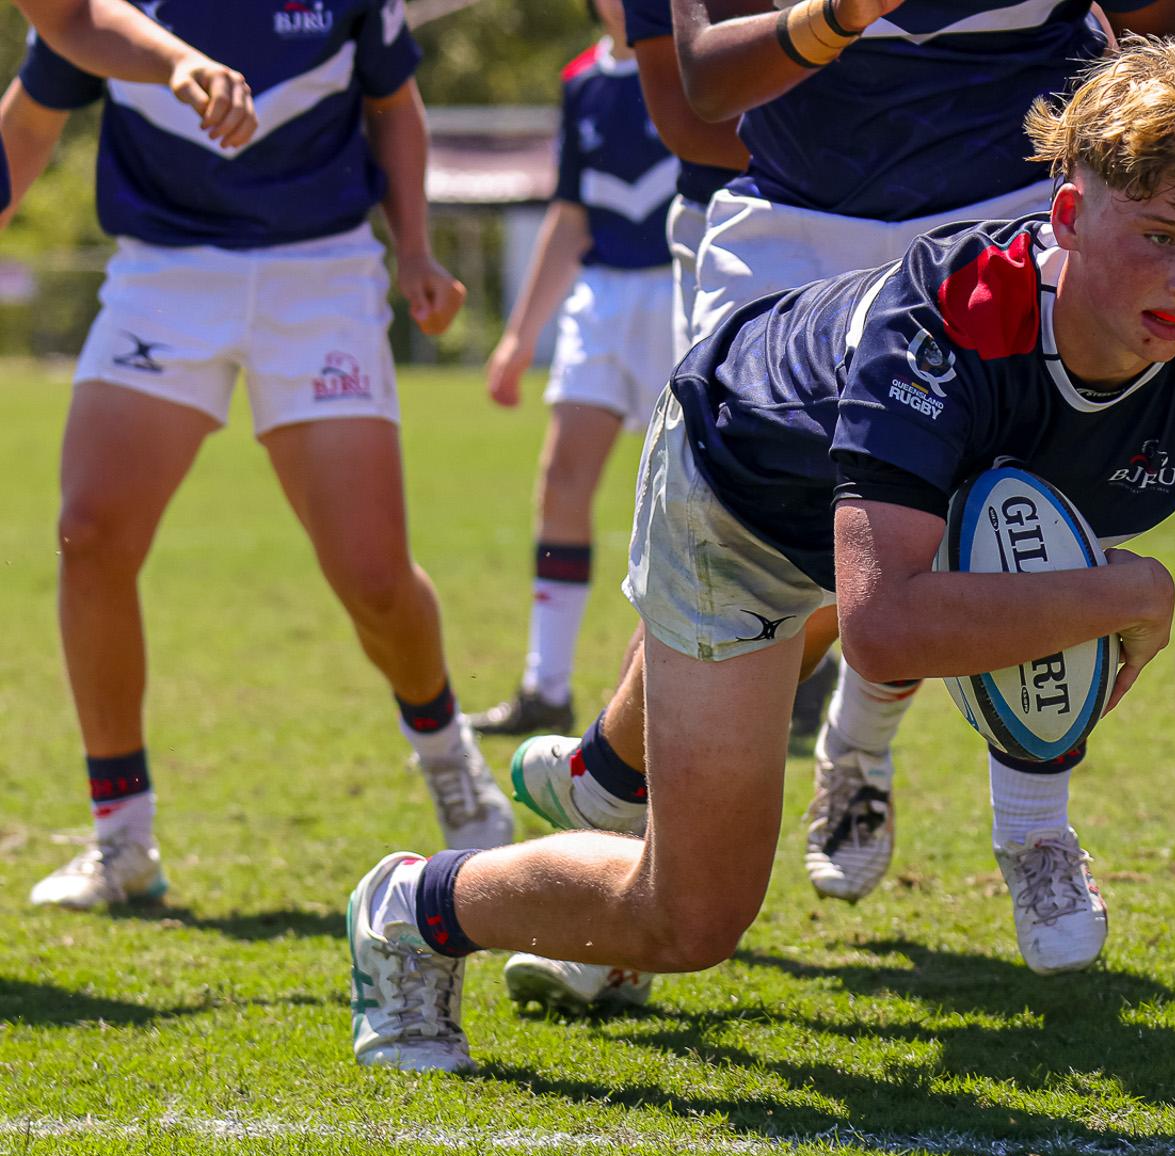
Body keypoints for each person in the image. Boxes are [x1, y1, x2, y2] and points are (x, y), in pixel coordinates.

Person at [344, 40, 1175, 1072]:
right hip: (741, 501)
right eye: (1158, 235)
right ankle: (413, 906)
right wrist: (1132, 591)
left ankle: (600, 788)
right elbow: (879, 628)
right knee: (695, 915)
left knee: (695, 874)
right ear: (1066, 213)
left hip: (898, 517)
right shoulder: (951, 317)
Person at [494, 0, 1175, 1011]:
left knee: (1009, 519)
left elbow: (1157, 35)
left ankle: (1030, 828)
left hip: (1002, 216)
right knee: (734, 542)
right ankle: (620, 842)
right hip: (790, 228)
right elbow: (697, 104)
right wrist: (840, 14)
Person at [8, 0, 514, 913]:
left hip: (318, 276)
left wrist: (416, 253)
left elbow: (394, 104)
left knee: (373, 577)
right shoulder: (99, 10)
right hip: (164, 276)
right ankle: (122, 839)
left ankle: (449, 758)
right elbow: (34, 116)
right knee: (89, 533)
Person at [470, 1, 691, 738]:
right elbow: (570, 215)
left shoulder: (697, 60)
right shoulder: (581, 84)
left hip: (683, 288)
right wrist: (517, 335)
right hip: (601, 299)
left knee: (688, 499)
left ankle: (728, 679)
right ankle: (545, 688)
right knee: (561, 480)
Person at [0, 0, 253, 229]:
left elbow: (71, 17)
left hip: (292, 254)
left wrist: (177, 61)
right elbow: (71, 17)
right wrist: (174, 59)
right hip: (157, 261)